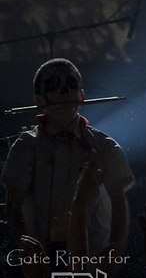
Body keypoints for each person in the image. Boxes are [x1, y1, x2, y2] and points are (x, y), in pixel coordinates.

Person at [1, 58, 134, 258]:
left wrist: (113, 256)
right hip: (40, 263)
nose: (64, 92)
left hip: (93, 263)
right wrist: (27, 253)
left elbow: (119, 205)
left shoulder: (105, 146)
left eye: (71, 84)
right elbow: (13, 206)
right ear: (39, 100)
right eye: (53, 85)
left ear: (82, 95)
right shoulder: (25, 147)